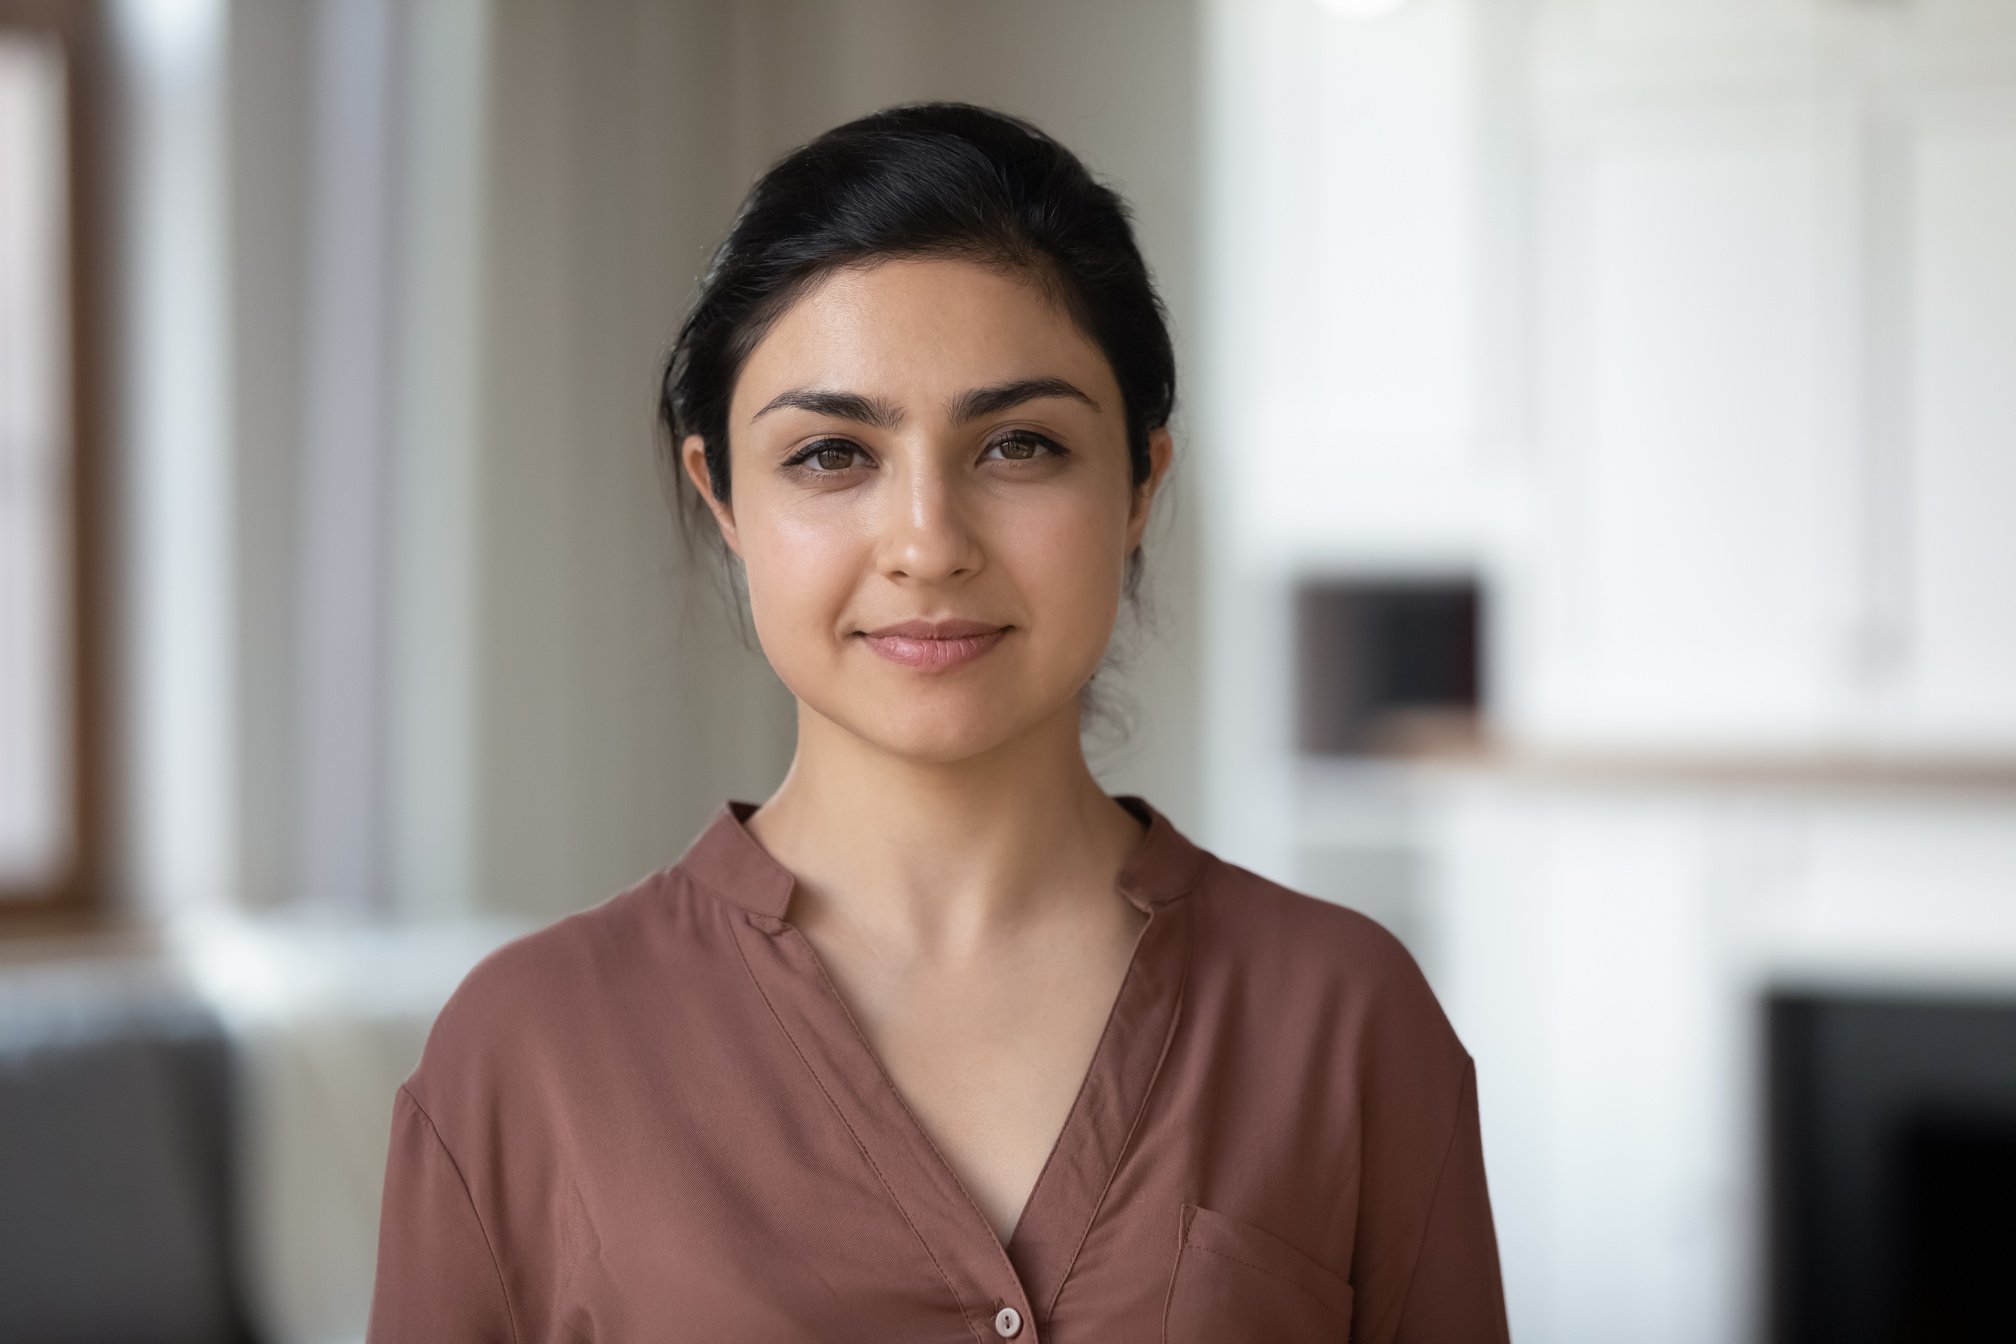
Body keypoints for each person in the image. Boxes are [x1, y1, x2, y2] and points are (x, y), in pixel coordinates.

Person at [364, 100, 1510, 1344]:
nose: (927, 543)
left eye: (1019, 446)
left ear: (1139, 485)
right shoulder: (526, 1055)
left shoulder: (1344, 1020)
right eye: (830, 456)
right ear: (723, 497)